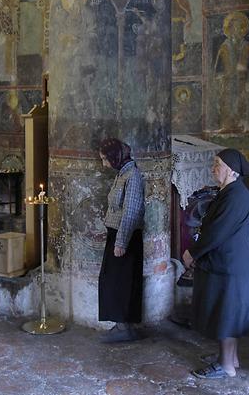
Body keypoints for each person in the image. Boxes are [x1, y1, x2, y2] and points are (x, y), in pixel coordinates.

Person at [183, 149, 249, 379]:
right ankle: (230, 358)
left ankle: (226, 366)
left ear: (231, 170)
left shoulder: (235, 196)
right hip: (228, 261)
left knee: (225, 315)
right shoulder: (231, 192)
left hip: (228, 263)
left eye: (217, 164)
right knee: (228, 313)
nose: (213, 168)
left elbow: (216, 232)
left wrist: (193, 253)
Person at [97, 138, 145, 343]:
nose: (103, 163)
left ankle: (125, 327)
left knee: (121, 283)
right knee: (113, 282)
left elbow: (131, 212)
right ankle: (121, 325)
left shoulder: (132, 176)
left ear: (115, 157)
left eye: (105, 159)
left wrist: (121, 243)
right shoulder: (123, 173)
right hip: (116, 234)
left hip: (125, 237)